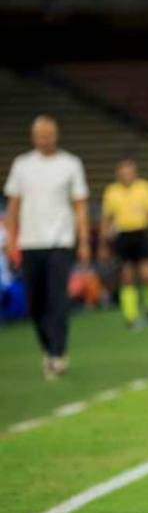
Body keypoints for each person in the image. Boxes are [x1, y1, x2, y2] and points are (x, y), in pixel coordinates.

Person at [3, 115, 91, 379]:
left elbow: (80, 205)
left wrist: (83, 240)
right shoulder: (22, 165)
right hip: (30, 242)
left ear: (56, 135)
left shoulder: (71, 164)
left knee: (58, 298)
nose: (44, 138)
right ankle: (48, 348)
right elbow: (13, 206)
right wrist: (10, 240)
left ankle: (57, 353)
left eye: (48, 134)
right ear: (33, 136)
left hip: (60, 241)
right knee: (35, 302)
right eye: (39, 134)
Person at [99, 159, 148, 327]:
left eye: (129, 172)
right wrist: (103, 245)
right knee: (127, 276)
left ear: (135, 173)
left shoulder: (145, 188)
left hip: (141, 233)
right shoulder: (111, 191)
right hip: (123, 235)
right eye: (122, 173)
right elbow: (106, 219)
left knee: (147, 274)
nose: (126, 176)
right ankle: (130, 316)